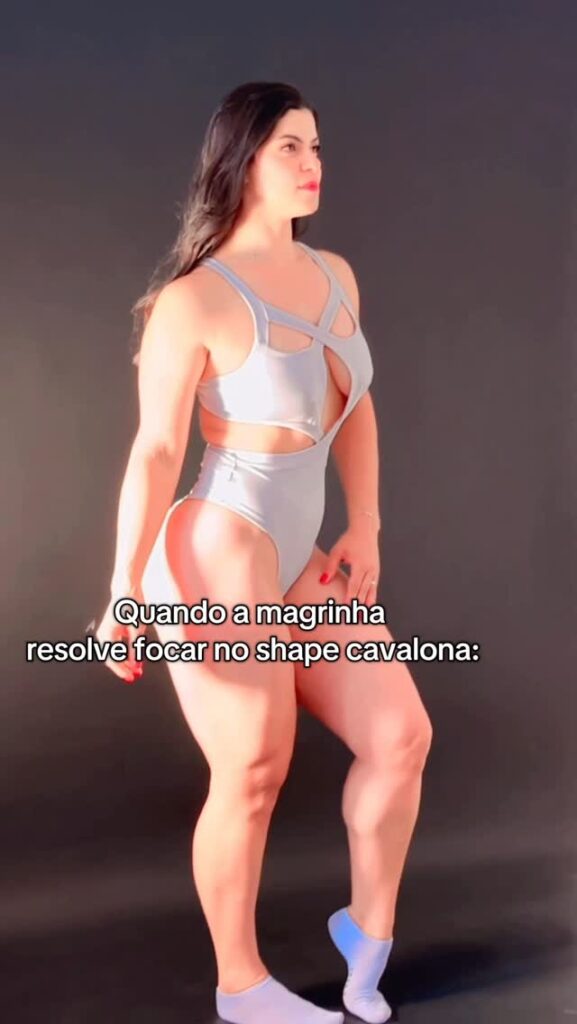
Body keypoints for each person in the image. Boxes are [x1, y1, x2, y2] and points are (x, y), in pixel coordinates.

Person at [94, 81, 433, 1024]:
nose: (311, 162)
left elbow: (354, 406)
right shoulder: (192, 301)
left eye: (315, 145)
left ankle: (365, 933)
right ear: (241, 160)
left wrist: (365, 525)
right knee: (253, 769)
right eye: (289, 145)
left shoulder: (335, 275)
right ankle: (240, 986)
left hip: (295, 549)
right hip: (219, 543)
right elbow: (156, 451)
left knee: (400, 738)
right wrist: (123, 589)